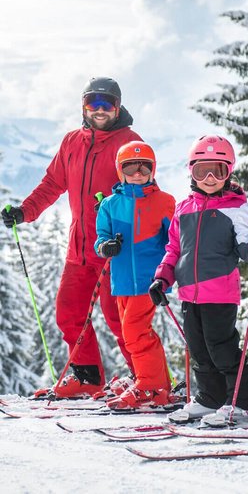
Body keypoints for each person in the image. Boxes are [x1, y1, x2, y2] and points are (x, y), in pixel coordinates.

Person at [1, 77, 142, 398]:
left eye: (107, 103)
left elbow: (142, 191)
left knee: (119, 318)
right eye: (93, 103)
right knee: (68, 313)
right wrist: (25, 212)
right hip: (79, 248)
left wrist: (129, 235)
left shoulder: (129, 143)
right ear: (84, 106)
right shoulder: (71, 142)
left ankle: (147, 379)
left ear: (118, 107)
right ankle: (87, 377)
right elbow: (52, 183)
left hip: (115, 249)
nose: (100, 110)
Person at [149, 135, 248, 426]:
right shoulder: (183, 209)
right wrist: (162, 279)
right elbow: (173, 250)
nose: (209, 178)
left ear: (228, 172)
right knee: (199, 350)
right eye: (201, 171)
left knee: (222, 349)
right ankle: (211, 398)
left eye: (217, 171)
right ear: (191, 172)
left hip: (220, 292)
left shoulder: (236, 207)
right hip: (188, 293)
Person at [94, 140, 176, 409]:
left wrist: (171, 274)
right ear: (120, 171)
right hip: (122, 282)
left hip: (150, 280)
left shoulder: (164, 202)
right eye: (131, 167)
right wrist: (106, 246)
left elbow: (174, 241)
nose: (138, 173)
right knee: (137, 332)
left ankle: (151, 387)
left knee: (135, 332)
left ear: (153, 169)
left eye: (144, 167)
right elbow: (101, 238)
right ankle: (160, 384)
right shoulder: (109, 205)